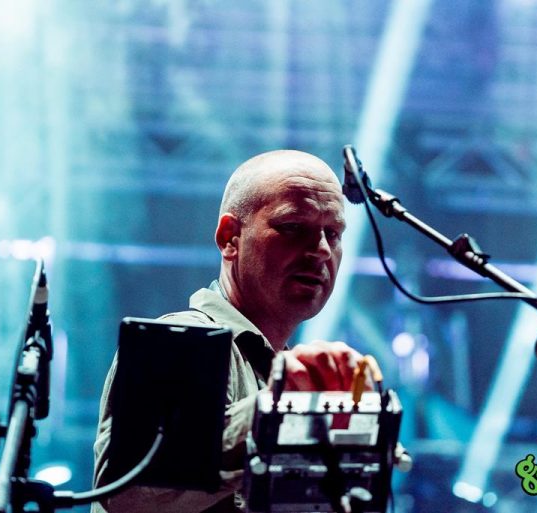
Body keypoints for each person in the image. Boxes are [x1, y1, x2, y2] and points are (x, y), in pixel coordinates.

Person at [92, 149, 369, 513]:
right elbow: (128, 493)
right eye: (292, 227)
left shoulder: (281, 371)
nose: (320, 250)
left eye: (332, 233)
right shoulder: (182, 336)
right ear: (229, 238)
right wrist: (279, 406)